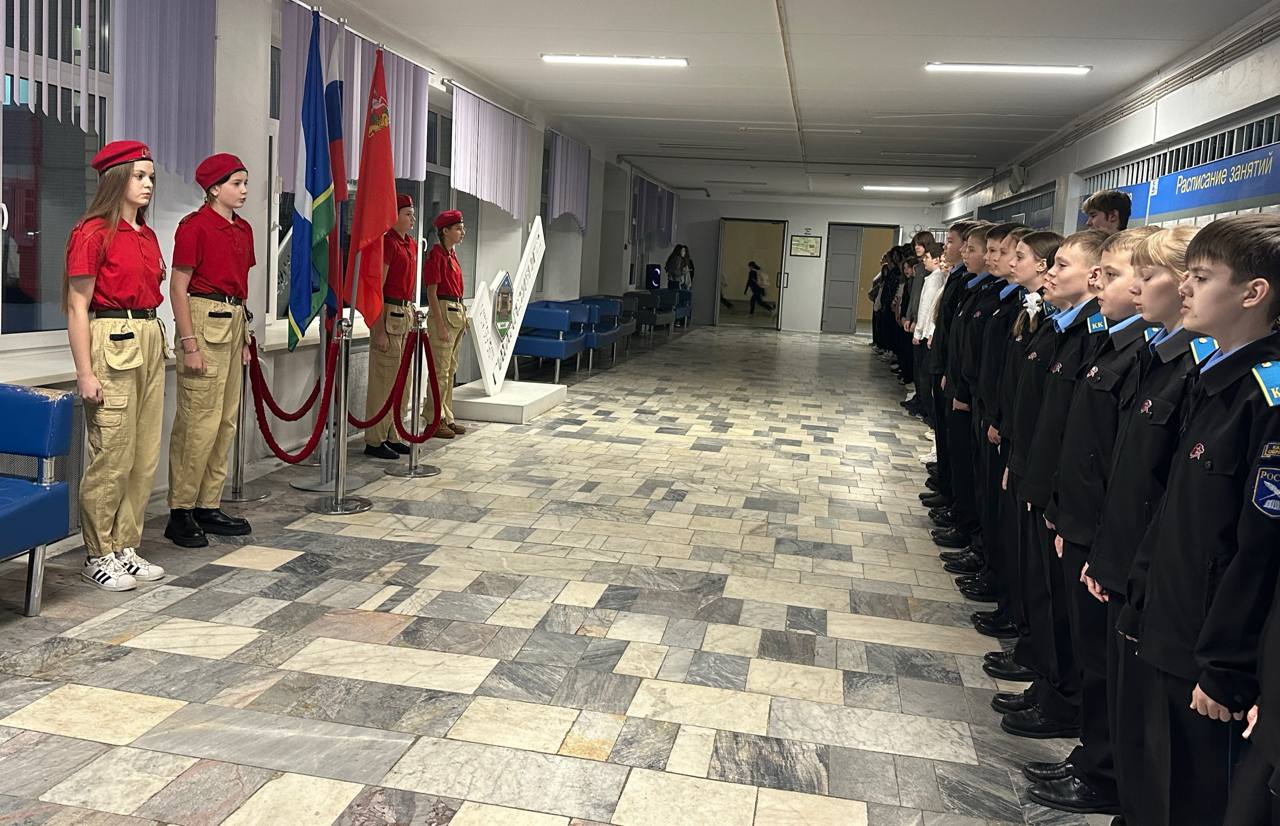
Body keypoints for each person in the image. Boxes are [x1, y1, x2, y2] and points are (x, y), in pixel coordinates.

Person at [1118, 214, 1280, 826]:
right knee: (1156, 781)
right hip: (1170, 620)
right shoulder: (1215, 383)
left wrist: (1226, 666)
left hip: (1208, 650)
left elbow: (1259, 551)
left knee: (1192, 797)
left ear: (1253, 293)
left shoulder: (1265, 400)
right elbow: (1175, 511)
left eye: (1203, 277)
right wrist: (1141, 592)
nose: (1184, 286)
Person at [1024, 227, 1159, 815]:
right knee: (1092, 653)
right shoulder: (1119, 346)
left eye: (1119, 273)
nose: (1102, 281)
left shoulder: (1146, 356)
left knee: (1106, 665)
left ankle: (1101, 769)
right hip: (1083, 521)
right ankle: (1093, 755)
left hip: (1111, 538)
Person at [1084, 226, 1210, 824]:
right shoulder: (1161, 359)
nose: (1137, 288)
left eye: (1146, 275)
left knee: (1156, 736)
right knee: (1127, 708)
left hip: (1161, 585)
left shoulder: (1198, 372)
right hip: (1128, 563)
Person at [64, 140, 167, 591]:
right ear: (116, 179)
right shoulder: (92, 232)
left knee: (143, 455)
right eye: (139, 176)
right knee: (111, 453)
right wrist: (85, 372)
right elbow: (77, 307)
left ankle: (125, 544)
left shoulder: (146, 235)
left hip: (149, 334)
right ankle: (97, 552)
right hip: (112, 338)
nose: (148, 184)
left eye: (151, 177)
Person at [164, 153, 256, 548]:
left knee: (225, 421)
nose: (244, 190)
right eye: (236, 183)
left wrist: (245, 338)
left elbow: (240, 288)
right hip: (204, 319)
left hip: (233, 323)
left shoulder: (244, 229)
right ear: (214, 188)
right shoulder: (195, 227)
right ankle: (180, 510)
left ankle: (208, 503)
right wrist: (189, 343)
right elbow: (178, 287)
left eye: (245, 182)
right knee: (197, 422)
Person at [364, 194, 418, 460]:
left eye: (412, 214)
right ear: (393, 216)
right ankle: (375, 439)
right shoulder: (387, 244)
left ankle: (393, 433)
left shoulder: (410, 244)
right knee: (384, 381)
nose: (412, 219)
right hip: (389, 314)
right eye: (407, 214)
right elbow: (377, 289)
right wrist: (378, 330)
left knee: (402, 382)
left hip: (404, 313)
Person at [424, 209, 468, 439]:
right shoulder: (437, 255)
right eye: (458, 228)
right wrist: (440, 325)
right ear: (445, 231)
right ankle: (434, 418)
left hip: (455, 313)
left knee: (450, 370)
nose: (462, 232)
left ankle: (446, 415)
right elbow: (432, 293)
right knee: (439, 371)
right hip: (443, 313)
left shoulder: (452, 255)